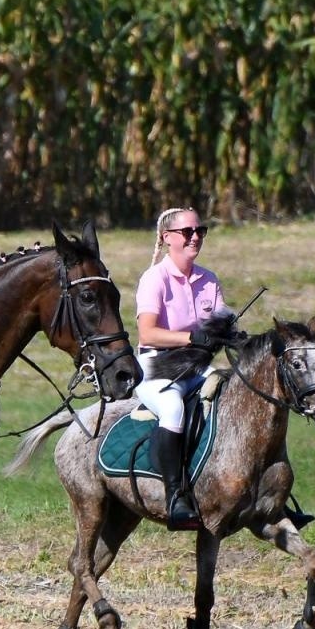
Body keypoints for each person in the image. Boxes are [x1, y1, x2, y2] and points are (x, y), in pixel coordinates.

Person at [134, 206, 228, 530]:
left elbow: (222, 323)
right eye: (188, 232)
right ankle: (175, 496)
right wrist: (191, 336)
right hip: (157, 367)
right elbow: (147, 333)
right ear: (167, 238)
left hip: (196, 367)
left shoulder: (209, 279)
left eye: (200, 230)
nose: (196, 237)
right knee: (173, 407)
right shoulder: (154, 279)